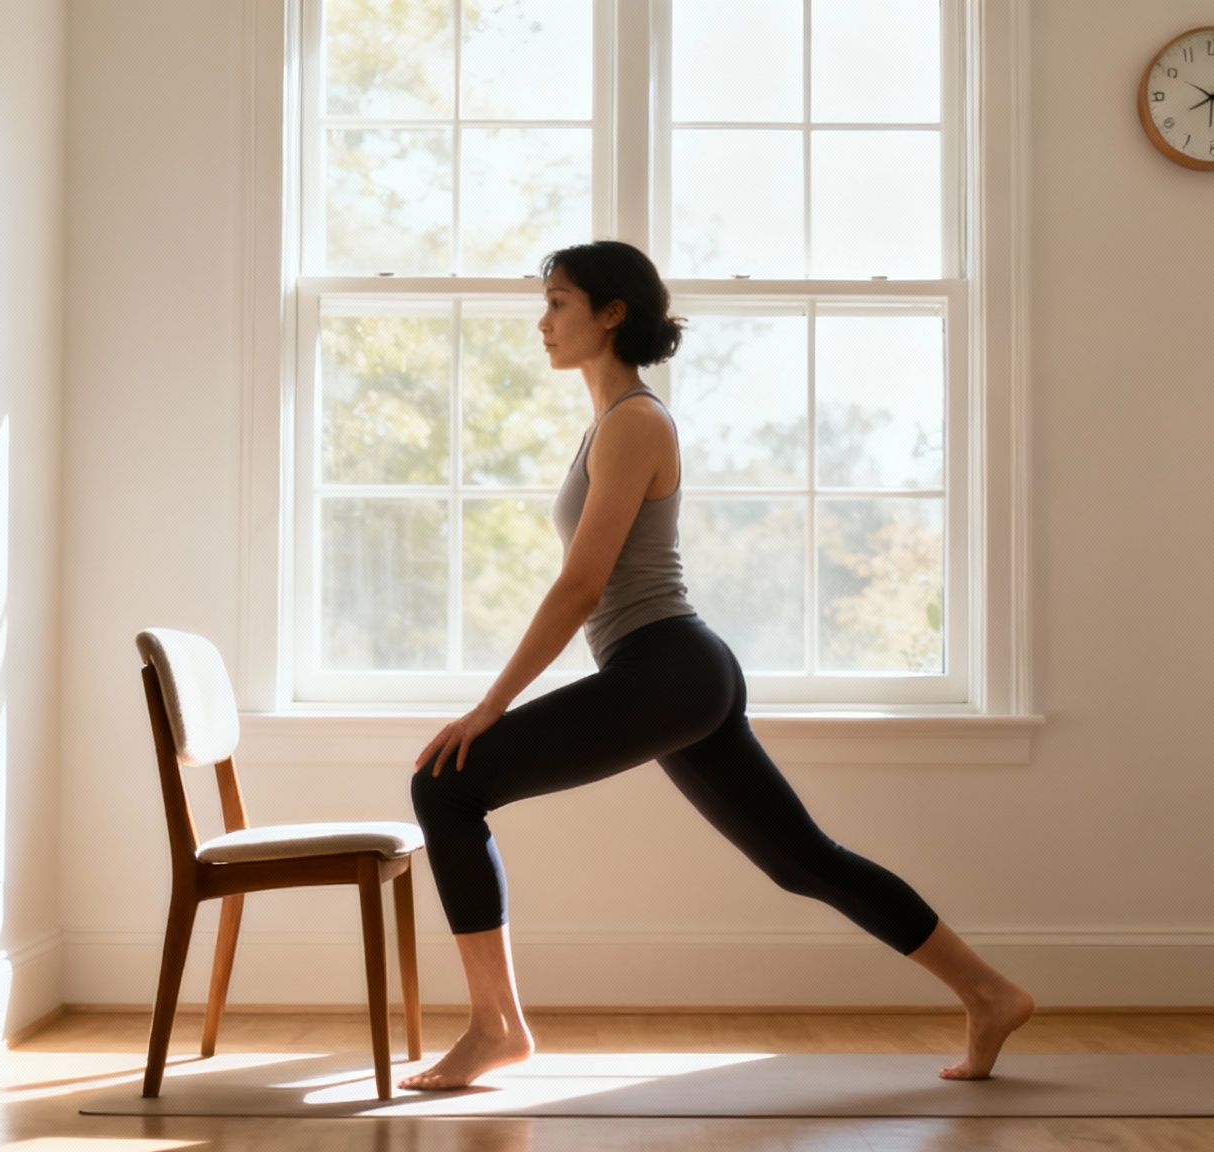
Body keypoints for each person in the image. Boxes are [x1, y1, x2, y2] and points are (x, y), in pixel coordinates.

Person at [401, 239, 1035, 1092]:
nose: (542, 321)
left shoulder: (635, 421)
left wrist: (490, 707)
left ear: (611, 312)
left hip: (667, 666)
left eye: (558, 302)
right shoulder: (611, 421)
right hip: (676, 670)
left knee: (448, 783)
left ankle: (496, 1028)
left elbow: (581, 585)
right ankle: (990, 993)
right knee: (800, 858)